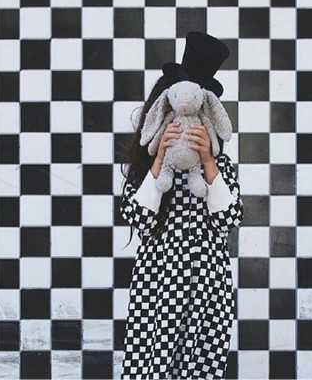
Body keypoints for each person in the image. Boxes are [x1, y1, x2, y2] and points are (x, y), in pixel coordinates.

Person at [119, 31, 244, 379]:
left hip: (207, 282)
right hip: (158, 280)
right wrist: (160, 159)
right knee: (151, 366)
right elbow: (139, 218)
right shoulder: (145, 167)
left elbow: (230, 218)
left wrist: (208, 162)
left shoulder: (220, 167)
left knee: (201, 365)